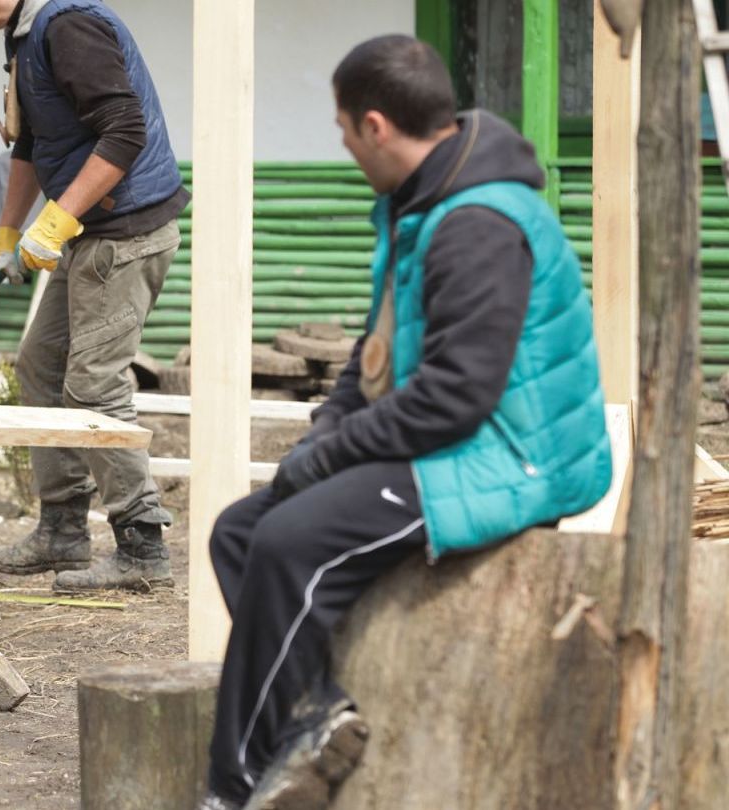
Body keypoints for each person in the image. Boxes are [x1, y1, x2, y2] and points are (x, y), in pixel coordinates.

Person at [197, 36, 613, 809]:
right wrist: (324, 435)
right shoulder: (422, 204)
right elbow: (376, 356)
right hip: (455, 441)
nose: (347, 146)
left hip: (516, 456)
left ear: (377, 126)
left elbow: (456, 397)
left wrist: (327, 463)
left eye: (345, 130)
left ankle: (232, 788)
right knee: (239, 531)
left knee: (290, 544)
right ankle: (316, 717)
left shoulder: (478, 224)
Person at [0, 0, 191, 592]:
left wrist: (55, 222)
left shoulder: (69, 25)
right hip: (90, 230)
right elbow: (29, 145)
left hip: (128, 233)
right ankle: (62, 531)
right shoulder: (22, 33)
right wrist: (8, 237)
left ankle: (142, 544)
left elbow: (124, 130)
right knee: (41, 370)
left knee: (94, 386)